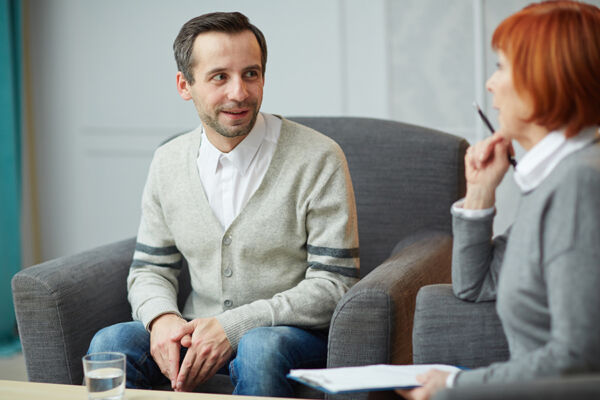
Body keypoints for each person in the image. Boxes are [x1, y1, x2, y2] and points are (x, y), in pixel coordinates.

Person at [87, 11, 359, 397]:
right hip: (194, 325)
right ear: (185, 85)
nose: (239, 93)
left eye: (251, 74)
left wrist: (234, 327)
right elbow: (151, 267)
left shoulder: (319, 157)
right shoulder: (168, 161)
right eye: (220, 77)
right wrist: (161, 319)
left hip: (290, 335)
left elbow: (335, 283)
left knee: (259, 347)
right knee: (109, 344)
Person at [398, 1, 600, 399]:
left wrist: (455, 386)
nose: (490, 84)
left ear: (546, 78)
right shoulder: (559, 177)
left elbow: (579, 357)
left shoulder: (578, 183)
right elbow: (475, 286)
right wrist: (480, 192)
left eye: (502, 67)